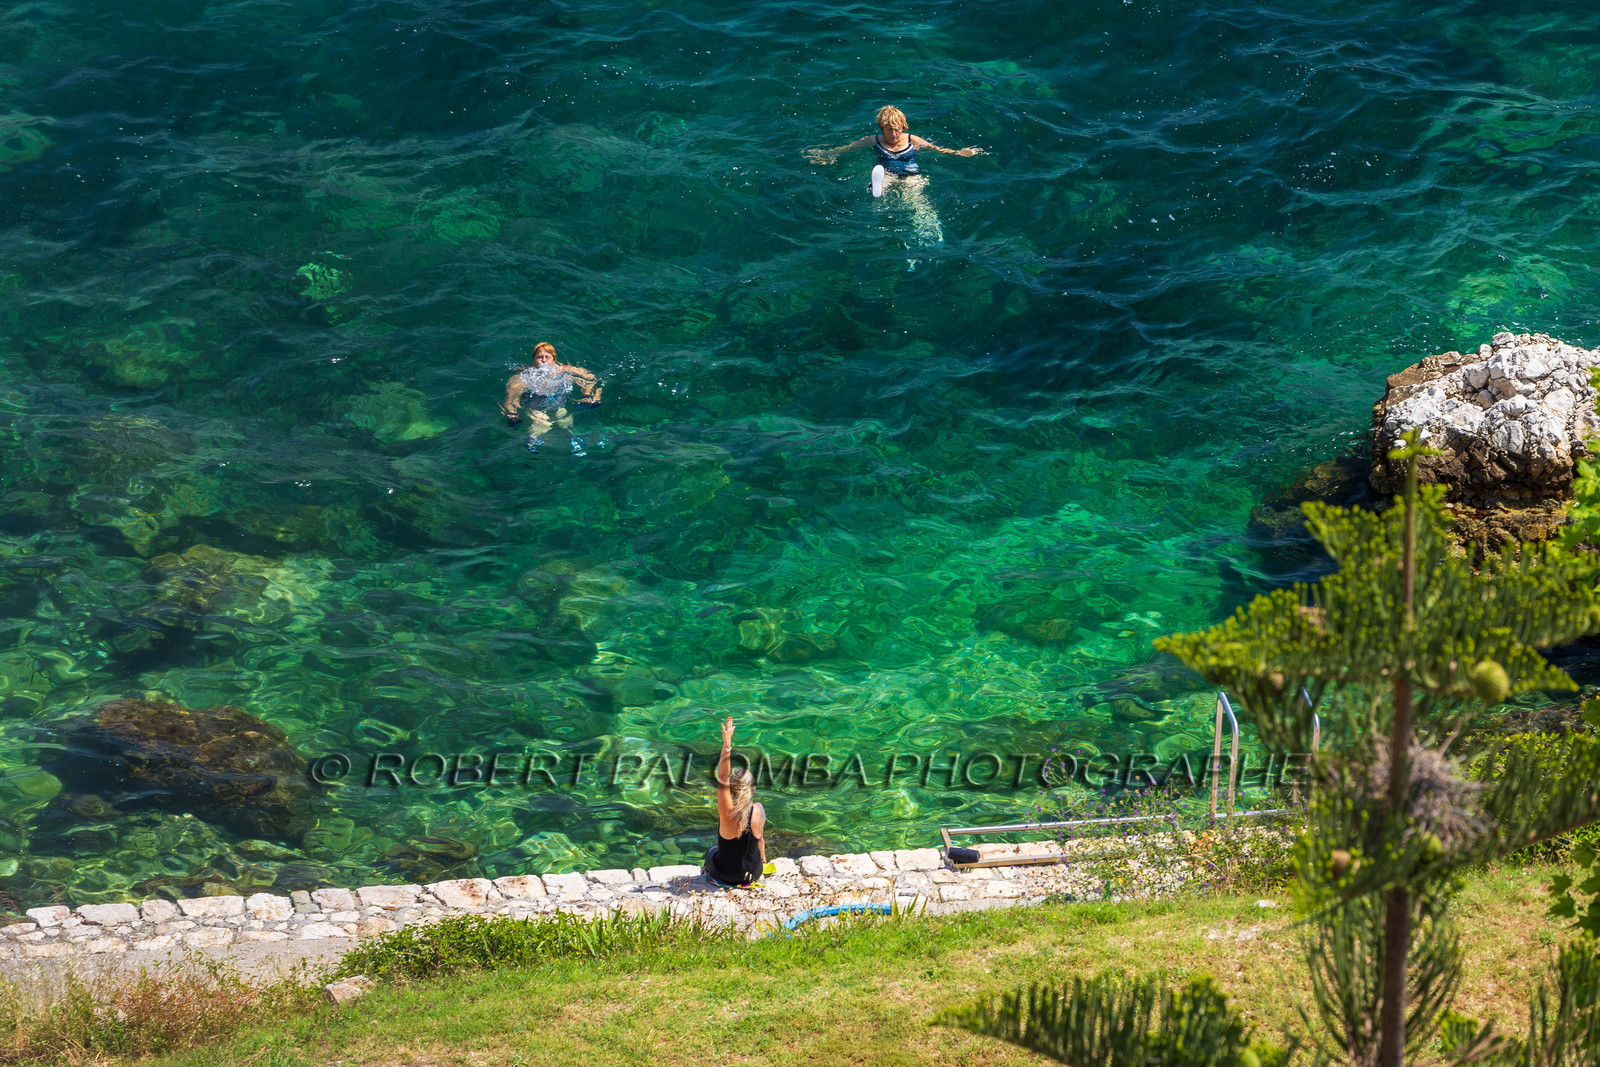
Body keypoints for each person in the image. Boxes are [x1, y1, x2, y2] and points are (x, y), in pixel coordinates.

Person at [805, 105, 984, 188]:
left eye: (897, 130)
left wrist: (960, 153)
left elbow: (937, 149)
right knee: (882, 183)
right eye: (889, 130)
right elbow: (847, 148)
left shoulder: (913, 139)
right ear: (881, 128)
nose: (894, 135)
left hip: (911, 174)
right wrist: (828, 154)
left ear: (903, 127)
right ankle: (877, 192)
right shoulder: (873, 140)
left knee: (916, 201)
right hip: (887, 174)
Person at [499, 342, 601, 453]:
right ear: (533, 360)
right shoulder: (524, 376)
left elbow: (590, 379)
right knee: (542, 423)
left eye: (547, 357)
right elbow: (511, 397)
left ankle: (572, 439)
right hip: (535, 407)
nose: (543, 360)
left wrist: (588, 395)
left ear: (554, 359)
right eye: (539, 357)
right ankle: (530, 441)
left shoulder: (565, 371)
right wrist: (512, 413)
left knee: (565, 421)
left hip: (556, 405)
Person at [704, 715, 766, 888]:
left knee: (711, 851)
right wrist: (763, 860)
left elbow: (722, 776)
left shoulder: (728, 811)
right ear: (753, 790)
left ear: (730, 790)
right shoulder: (759, 810)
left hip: (722, 875)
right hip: (751, 876)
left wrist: (727, 746)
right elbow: (760, 841)